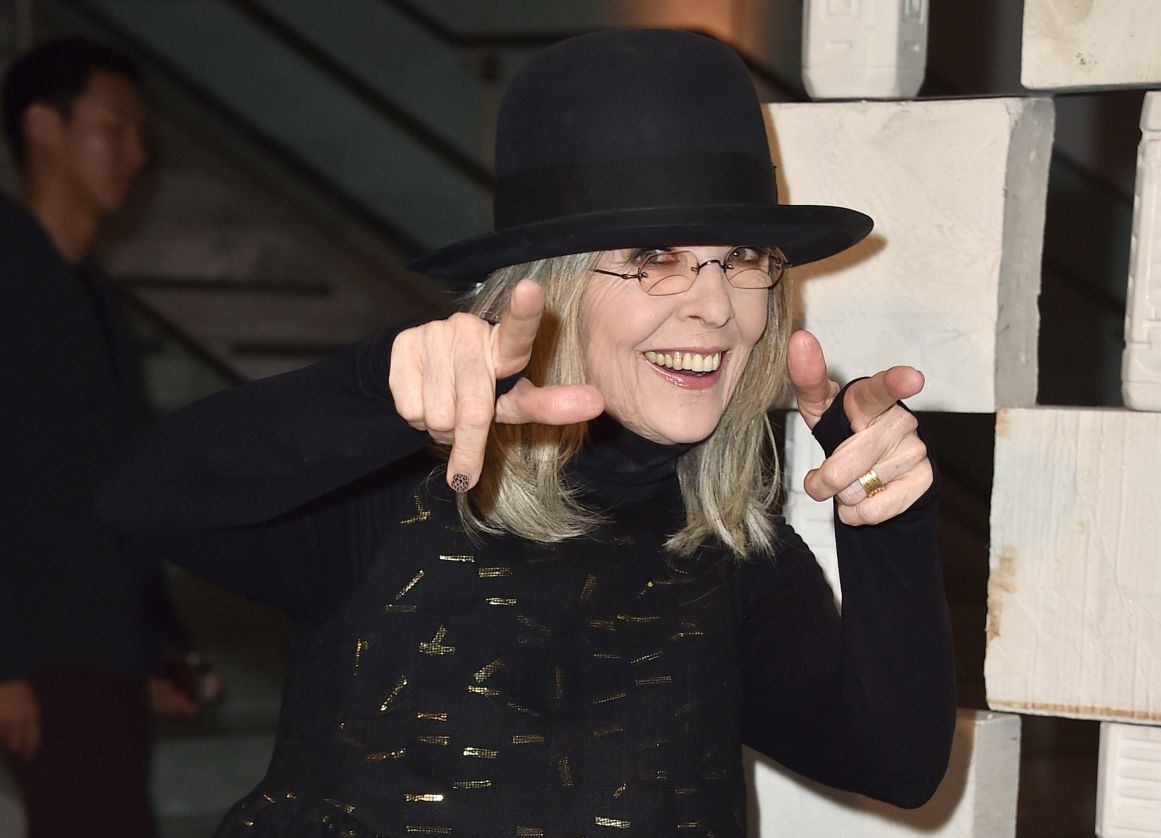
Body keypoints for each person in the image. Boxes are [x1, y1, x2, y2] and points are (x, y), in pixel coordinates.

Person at [97, 29, 955, 836]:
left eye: (741, 257)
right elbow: (138, 494)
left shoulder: (726, 536)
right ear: (547, 286)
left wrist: (887, 523)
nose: (716, 303)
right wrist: (375, 388)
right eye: (654, 257)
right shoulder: (394, 489)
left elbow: (895, 764)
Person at [0, 36, 202, 837]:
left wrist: (155, 642)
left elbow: (113, 484)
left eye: (138, 132)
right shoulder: (10, 270)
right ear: (44, 127)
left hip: (98, 643)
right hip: (40, 648)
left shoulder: (87, 289)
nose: (135, 152)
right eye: (113, 127)